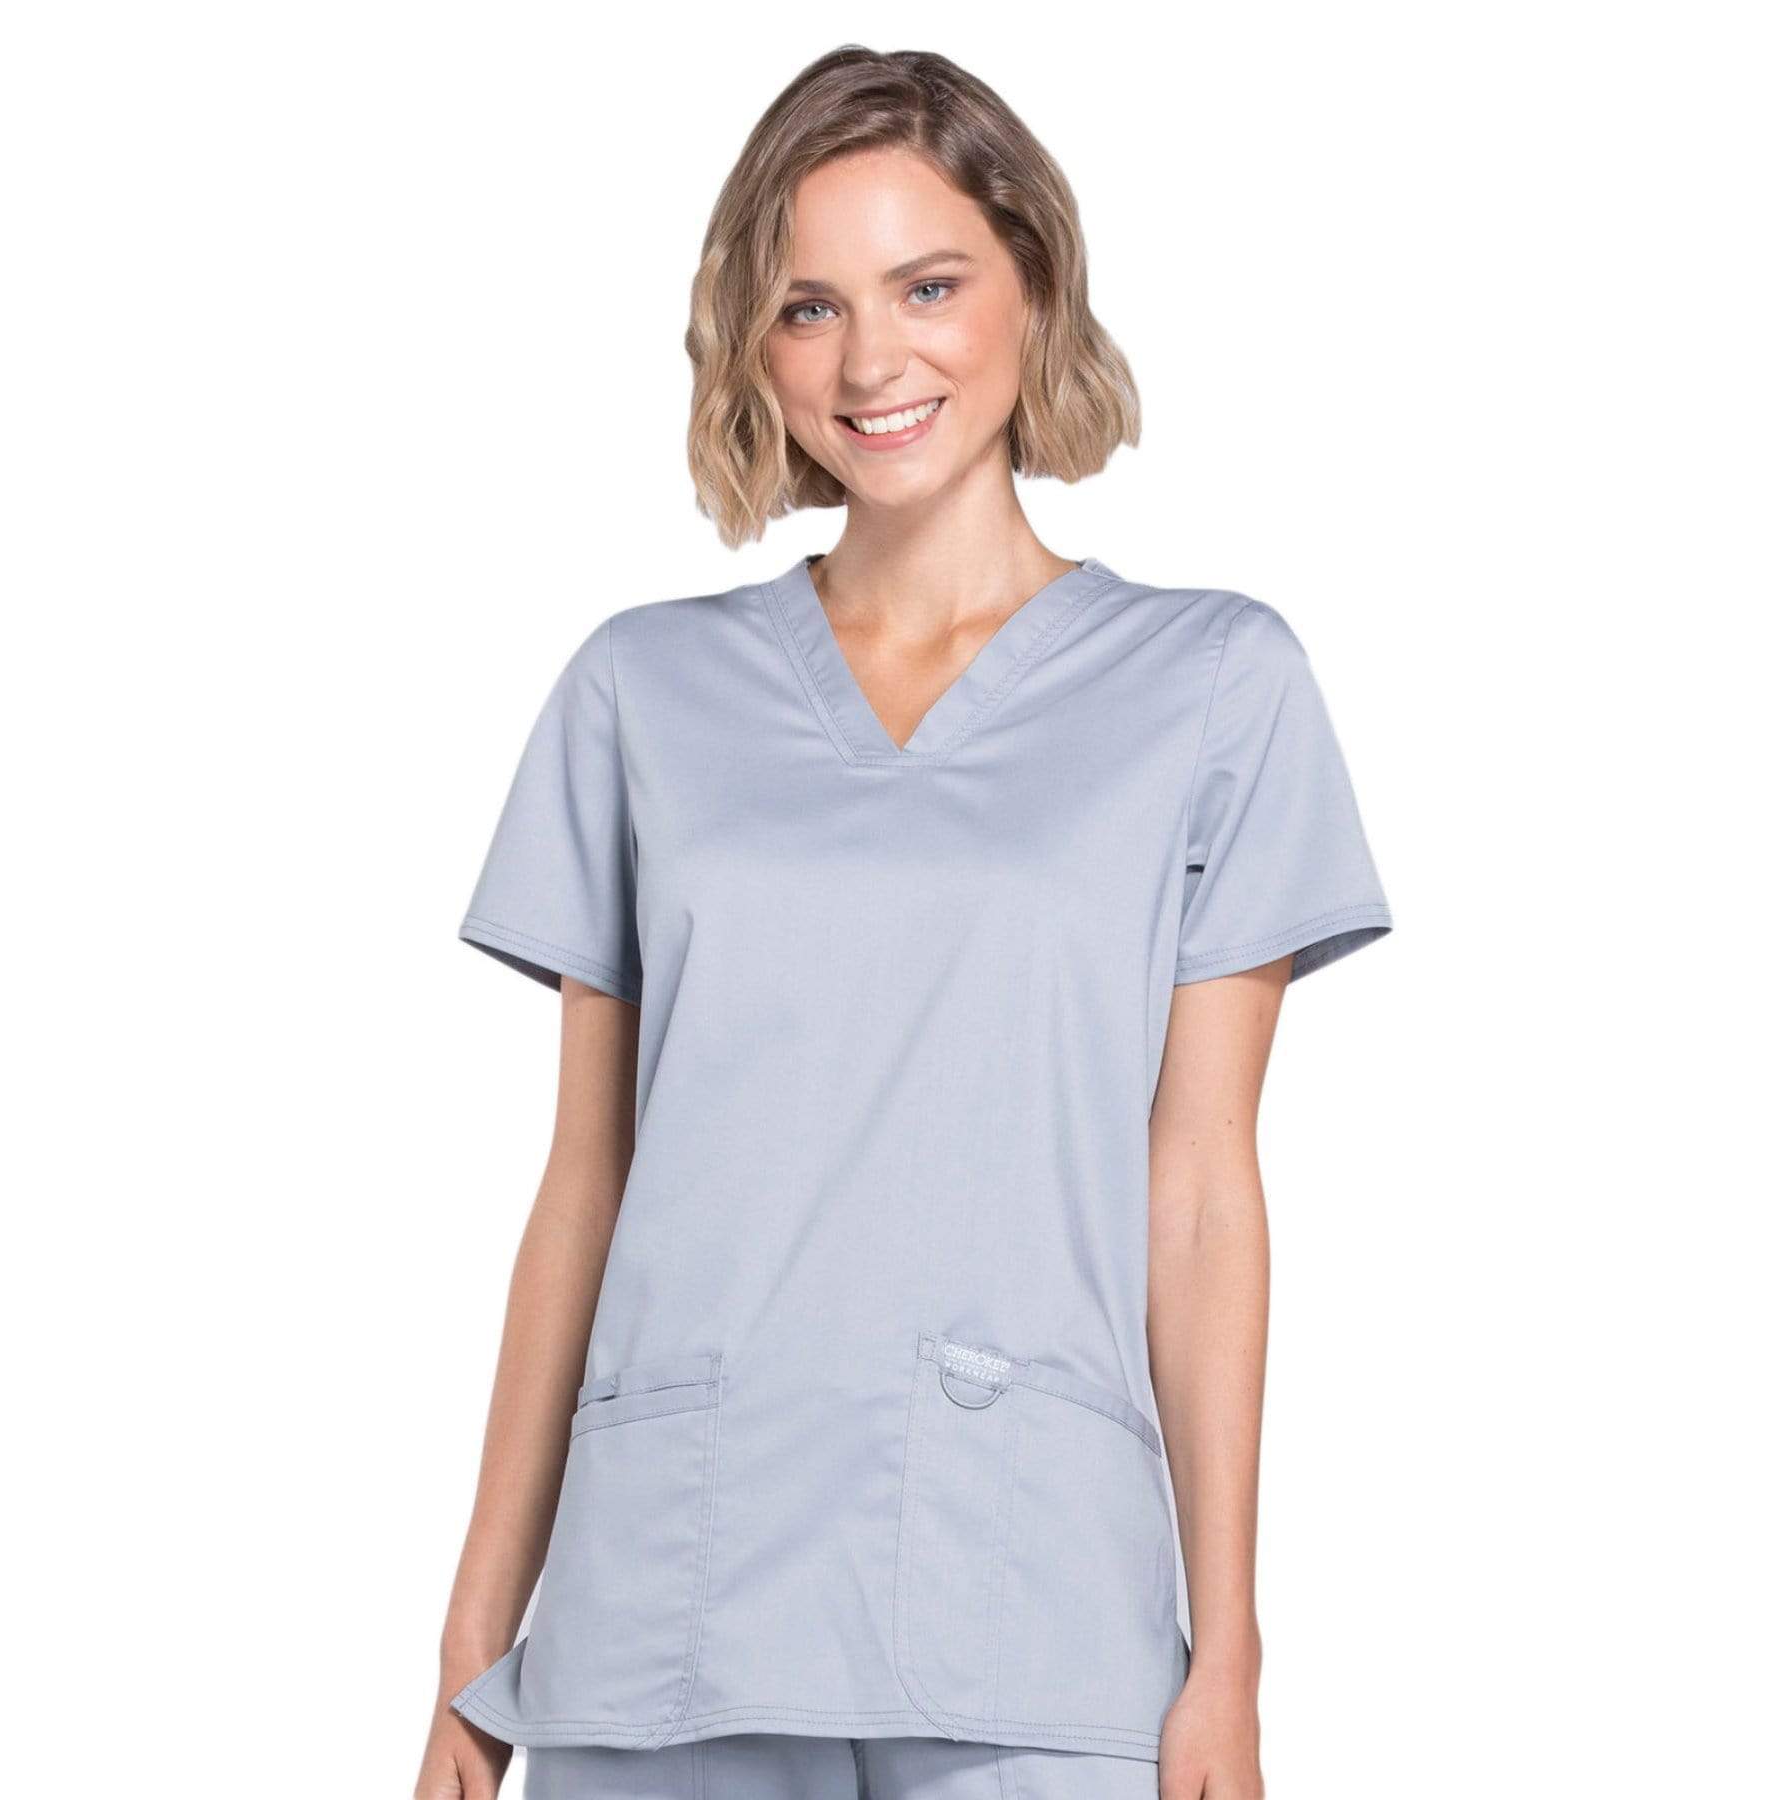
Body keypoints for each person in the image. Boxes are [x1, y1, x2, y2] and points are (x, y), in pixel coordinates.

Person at [412, 43, 1392, 1800]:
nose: (871, 363)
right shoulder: (642, 692)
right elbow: (585, 1184)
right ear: (753, 343)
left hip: (1037, 1613)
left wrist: (1230, 1655)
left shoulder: (1213, 685)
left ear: (1035, 286)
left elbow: (1199, 1194)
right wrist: (471, 1654)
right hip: (669, 1612)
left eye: (927, 287)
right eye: (810, 307)